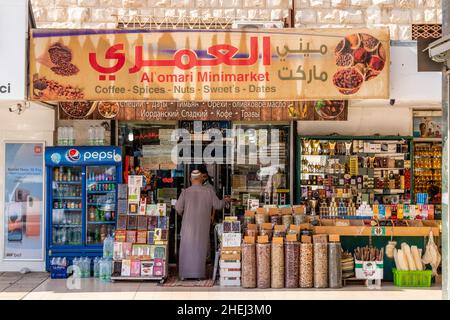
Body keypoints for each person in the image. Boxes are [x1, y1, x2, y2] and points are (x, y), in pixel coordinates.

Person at [175, 170, 229, 280]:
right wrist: (225, 200)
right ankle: (199, 275)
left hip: (187, 226)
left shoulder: (185, 192)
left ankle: (184, 275)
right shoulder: (208, 191)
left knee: (187, 248)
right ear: (201, 179)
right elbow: (218, 205)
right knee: (200, 249)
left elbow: (178, 208)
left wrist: (185, 215)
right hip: (202, 227)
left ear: (190, 179)